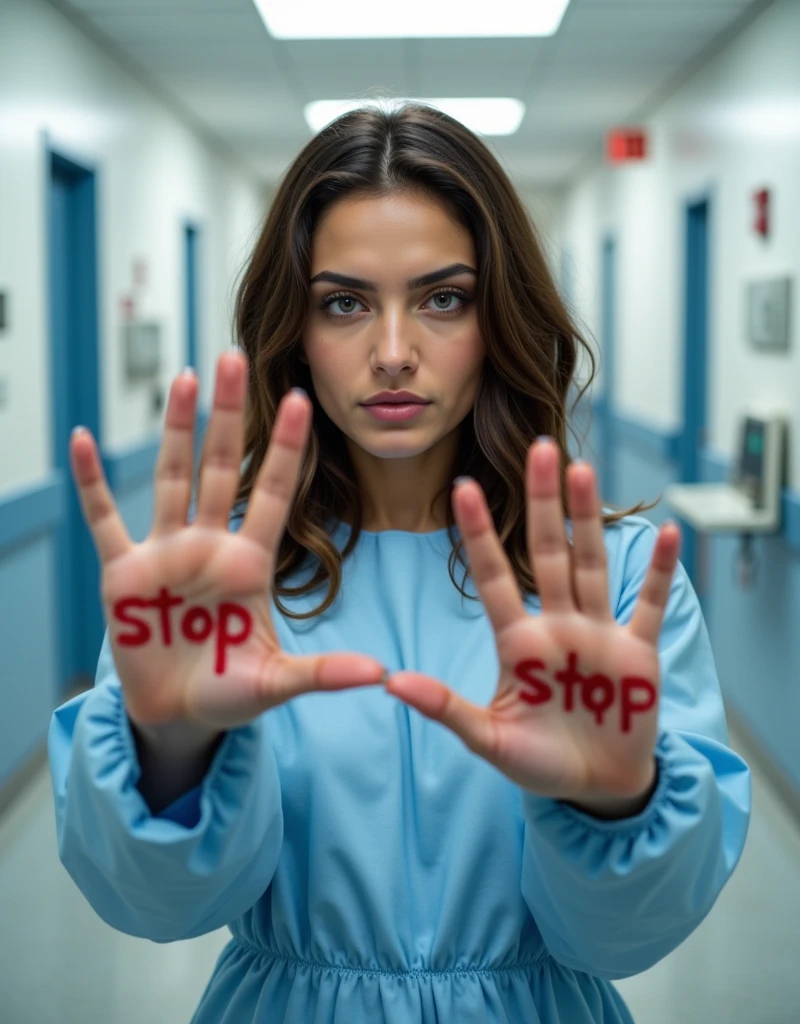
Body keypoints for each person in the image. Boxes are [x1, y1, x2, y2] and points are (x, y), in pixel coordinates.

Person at [48, 103, 751, 1024]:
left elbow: (624, 940)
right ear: (292, 329)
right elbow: (163, 909)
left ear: (497, 317)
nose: (391, 354)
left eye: (442, 298)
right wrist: (172, 752)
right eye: (343, 303)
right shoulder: (217, 588)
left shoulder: (606, 582)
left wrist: (619, 802)